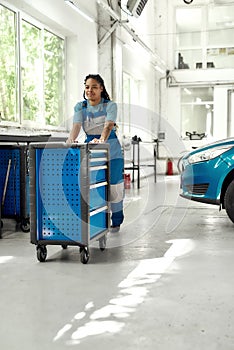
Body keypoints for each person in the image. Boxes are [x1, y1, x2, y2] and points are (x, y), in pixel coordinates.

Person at [67, 74, 124, 232]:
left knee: (114, 187)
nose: (89, 90)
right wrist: (71, 140)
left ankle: (117, 218)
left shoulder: (110, 106)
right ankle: (96, 218)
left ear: (101, 89)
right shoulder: (81, 107)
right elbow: (77, 125)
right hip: (91, 148)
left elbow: (108, 125)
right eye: (87, 87)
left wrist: (102, 140)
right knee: (91, 185)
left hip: (111, 148)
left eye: (93, 87)